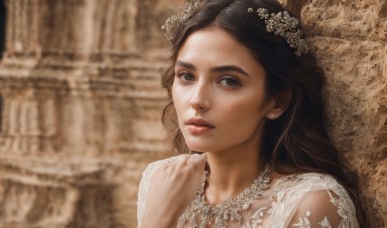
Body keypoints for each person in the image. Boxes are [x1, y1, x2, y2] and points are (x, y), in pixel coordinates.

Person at [137, 0, 364, 227]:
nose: (197, 100)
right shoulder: (160, 180)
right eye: (186, 76)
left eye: (228, 81)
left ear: (277, 102)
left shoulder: (308, 205)